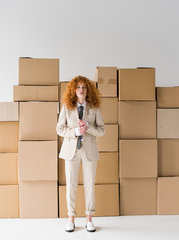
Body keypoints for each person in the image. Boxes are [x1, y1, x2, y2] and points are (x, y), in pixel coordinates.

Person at [56, 75, 105, 232]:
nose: (81, 90)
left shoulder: (94, 108)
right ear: (74, 90)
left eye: (84, 87)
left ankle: (89, 219)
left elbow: (102, 130)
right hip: (71, 151)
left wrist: (88, 126)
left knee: (89, 184)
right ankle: (71, 219)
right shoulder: (67, 107)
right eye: (78, 87)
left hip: (89, 151)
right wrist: (76, 131)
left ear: (88, 90)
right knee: (71, 185)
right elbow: (59, 129)